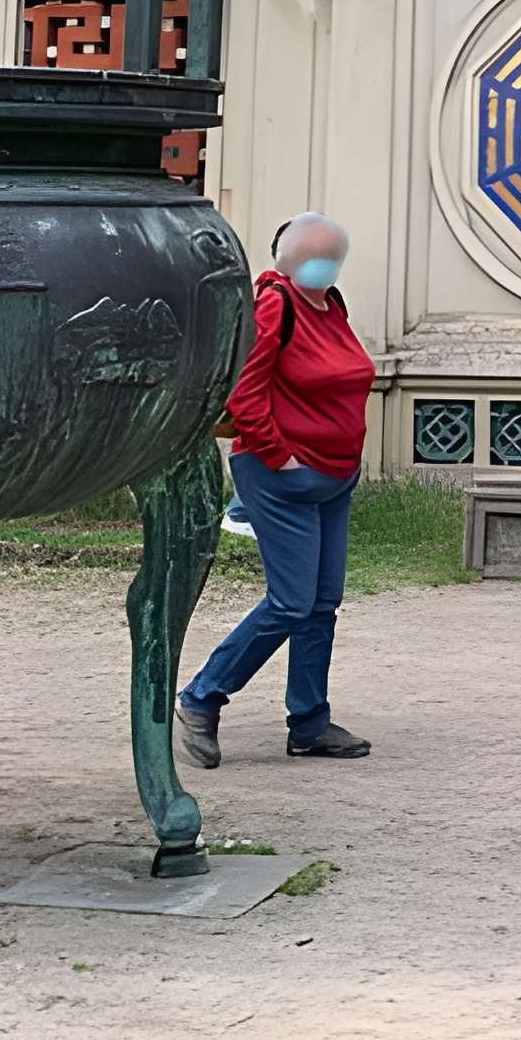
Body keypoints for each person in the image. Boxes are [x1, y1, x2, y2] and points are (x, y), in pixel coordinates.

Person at [179, 212, 377, 764]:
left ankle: (309, 722)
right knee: (291, 602)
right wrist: (279, 456)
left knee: (322, 604)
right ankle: (200, 698)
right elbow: (244, 391)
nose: (324, 264)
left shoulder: (331, 305)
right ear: (286, 258)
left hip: (334, 476)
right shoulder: (274, 304)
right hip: (281, 478)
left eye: (331, 255)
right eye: (313, 255)